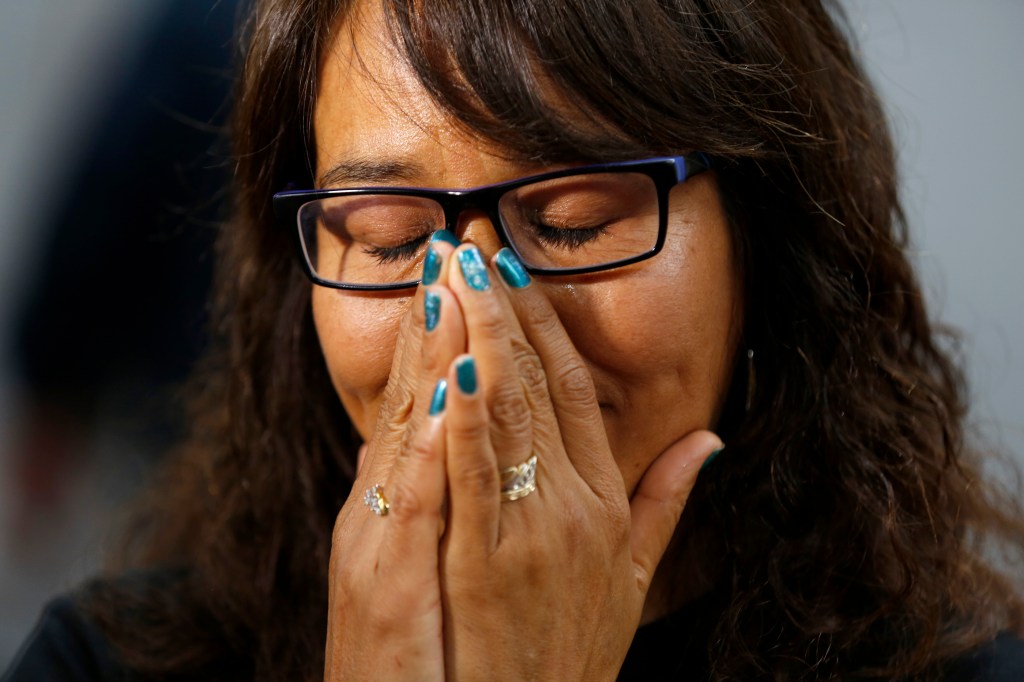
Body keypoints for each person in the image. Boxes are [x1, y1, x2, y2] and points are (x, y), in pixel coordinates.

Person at [5, 0, 1024, 680]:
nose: (470, 323)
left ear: (772, 244)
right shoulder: (102, 661)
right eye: (388, 236)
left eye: (578, 218)